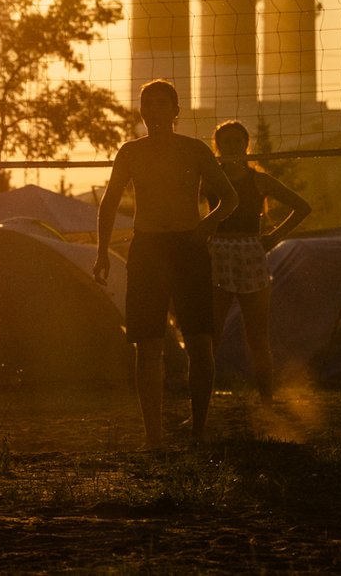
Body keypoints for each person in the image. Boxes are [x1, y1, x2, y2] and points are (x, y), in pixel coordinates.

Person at [95, 80, 239, 449]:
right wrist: (100, 254)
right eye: (149, 104)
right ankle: (153, 438)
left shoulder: (194, 150)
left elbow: (229, 197)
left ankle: (198, 432)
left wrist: (208, 224)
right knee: (148, 345)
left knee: (200, 344)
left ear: (176, 112)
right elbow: (109, 203)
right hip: (147, 249)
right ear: (142, 111)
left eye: (163, 104)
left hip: (187, 248)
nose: (155, 111)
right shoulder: (130, 152)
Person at [206, 120, 313, 404]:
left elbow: (302, 207)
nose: (231, 146)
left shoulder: (259, 180)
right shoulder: (209, 178)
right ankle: (203, 402)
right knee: (211, 335)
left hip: (251, 252)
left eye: (236, 141)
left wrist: (274, 237)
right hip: (218, 253)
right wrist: (199, 235)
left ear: (245, 144)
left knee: (257, 336)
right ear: (217, 146)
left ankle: (267, 401)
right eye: (225, 141)